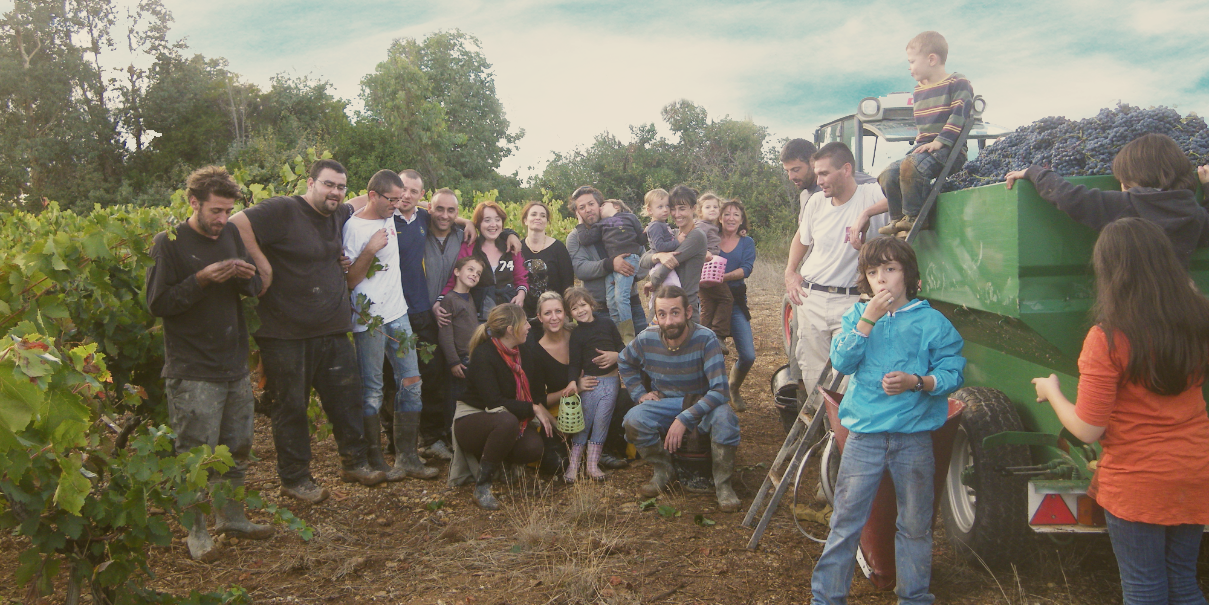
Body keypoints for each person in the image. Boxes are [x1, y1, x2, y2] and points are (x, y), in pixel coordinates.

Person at [1031, 218, 1209, 605]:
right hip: (1195, 470)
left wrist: (1053, 391)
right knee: (1182, 581)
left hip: (1139, 481)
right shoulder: (1198, 320)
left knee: (1145, 589)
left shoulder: (1108, 338)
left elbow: (1088, 429)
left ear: (1110, 273)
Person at [810, 236, 965, 605]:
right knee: (845, 523)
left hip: (913, 439)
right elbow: (843, 363)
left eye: (890, 270)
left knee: (914, 526)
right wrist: (867, 320)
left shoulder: (932, 322)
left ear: (908, 275)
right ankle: (826, 599)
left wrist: (919, 382)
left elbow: (953, 371)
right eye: (873, 272)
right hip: (864, 436)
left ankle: (913, 598)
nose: (881, 279)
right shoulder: (856, 316)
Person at [229, 159, 386, 504]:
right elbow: (236, 223)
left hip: (331, 327)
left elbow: (367, 200)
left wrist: (453, 215)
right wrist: (263, 264)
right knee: (291, 406)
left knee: (346, 398)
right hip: (284, 331)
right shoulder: (283, 209)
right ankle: (295, 478)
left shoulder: (337, 212)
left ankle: (354, 462)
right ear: (311, 183)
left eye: (341, 186)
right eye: (329, 184)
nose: (335, 192)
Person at [146, 166, 273, 560]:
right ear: (193, 202)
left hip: (233, 362)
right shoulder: (168, 243)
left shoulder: (231, 234)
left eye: (227, 211)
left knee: (237, 446)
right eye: (216, 211)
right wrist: (201, 279)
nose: (222, 220)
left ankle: (231, 517)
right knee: (195, 454)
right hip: (192, 368)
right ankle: (196, 532)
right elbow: (158, 304)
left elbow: (250, 290)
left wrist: (245, 276)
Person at [343, 169, 438, 483]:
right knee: (372, 390)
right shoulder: (353, 228)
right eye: (392, 200)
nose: (399, 205)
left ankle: (408, 457)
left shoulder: (391, 216)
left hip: (399, 315)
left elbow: (423, 212)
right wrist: (370, 249)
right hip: (367, 322)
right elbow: (351, 280)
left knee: (412, 382)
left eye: (401, 199)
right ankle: (376, 460)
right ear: (374, 196)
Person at [783, 143, 889, 415]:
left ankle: (846, 442)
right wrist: (790, 272)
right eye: (816, 174)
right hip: (812, 297)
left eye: (824, 174)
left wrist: (866, 214)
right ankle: (825, 437)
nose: (818, 181)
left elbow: (908, 197)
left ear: (846, 169)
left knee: (849, 376)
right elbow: (802, 238)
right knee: (813, 371)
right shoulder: (816, 202)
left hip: (853, 300)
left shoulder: (871, 194)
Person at [619, 285, 741, 512]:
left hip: (702, 404)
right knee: (633, 420)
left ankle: (723, 484)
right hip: (665, 403)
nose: (668, 322)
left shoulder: (706, 339)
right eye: (662, 314)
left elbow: (720, 391)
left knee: (726, 418)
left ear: (687, 312)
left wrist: (685, 418)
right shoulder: (646, 339)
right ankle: (663, 469)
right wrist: (639, 394)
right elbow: (624, 361)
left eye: (675, 313)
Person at [1004, 133, 1209, 267]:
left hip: (1133, 309)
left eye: (1123, 179)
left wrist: (1035, 172)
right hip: (1178, 303)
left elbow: (1071, 198)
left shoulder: (1130, 205)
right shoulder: (1193, 211)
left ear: (1138, 174)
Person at [421, 187, 521, 458]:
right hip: (451, 320)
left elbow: (520, 275)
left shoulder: (492, 242)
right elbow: (456, 278)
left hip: (492, 322)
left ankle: (484, 429)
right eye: (439, 209)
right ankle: (445, 437)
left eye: (451, 210)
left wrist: (509, 232)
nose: (445, 215)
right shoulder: (458, 240)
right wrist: (440, 299)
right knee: (440, 382)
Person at [448, 304, 557, 510]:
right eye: (524, 322)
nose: (528, 327)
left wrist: (553, 423)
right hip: (473, 420)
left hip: (506, 419)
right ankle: (482, 487)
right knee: (506, 422)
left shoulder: (524, 351)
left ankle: (503, 466)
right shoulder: (484, 355)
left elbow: (533, 393)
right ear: (510, 329)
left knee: (534, 447)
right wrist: (532, 409)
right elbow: (494, 402)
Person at [879, 31, 973, 237]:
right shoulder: (919, 90)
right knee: (888, 174)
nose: (909, 68)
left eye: (912, 61)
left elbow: (959, 116)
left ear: (931, 59)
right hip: (925, 148)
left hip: (950, 148)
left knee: (911, 165)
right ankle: (898, 219)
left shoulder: (957, 82)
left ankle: (916, 218)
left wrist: (940, 141)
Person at [562, 287, 625, 482]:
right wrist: (573, 382)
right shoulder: (577, 335)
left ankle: (592, 465)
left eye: (583, 305)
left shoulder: (606, 323)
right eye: (574, 308)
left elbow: (621, 347)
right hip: (590, 384)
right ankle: (573, 466)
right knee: (585, 422)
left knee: (601, 422)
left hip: (611, 381)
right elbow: (574, 363)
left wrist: (617, 357)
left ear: (591, 304)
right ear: (569, 314)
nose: (580, 310)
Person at [566, 186, 649, 333]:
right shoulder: (575, 238)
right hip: (599, 310)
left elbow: (644, 259)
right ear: (577, 212)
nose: (588, 209)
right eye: (582, 207)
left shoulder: (621, 225)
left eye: (591, 204)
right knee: (609, 354)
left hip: (631, 304)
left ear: (600, 205)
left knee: (642, 351)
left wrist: (626, 276)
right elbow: (581, 269)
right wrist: (610, 264)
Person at [442, 201, 529, 321]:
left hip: (509, 312)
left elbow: (521, 279)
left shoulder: (511, 247)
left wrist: (521, 295)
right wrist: (440, 300)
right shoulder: (469, 248)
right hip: (477, 314)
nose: (493, 225)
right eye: (487, 220)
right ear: (478, 224)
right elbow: (455, 279)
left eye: (497, 220)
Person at [526, 291, 576, 476]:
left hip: (592, 402)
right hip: (560, 411)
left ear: (565, 313)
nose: (554, 318)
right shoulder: (536, 352)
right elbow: (537, 399)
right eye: (547, 313)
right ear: (539, 317)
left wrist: (614, 356)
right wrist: (569, 391)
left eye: (558, 311)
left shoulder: (577, 335)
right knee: (557, 464)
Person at [718, 199, 757, 412]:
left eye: (736, 215)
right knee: (709, 352)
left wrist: (721, 277)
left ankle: (733, 386)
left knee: (748, 355)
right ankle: (711, 394)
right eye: (727, 214)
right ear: (719, 217)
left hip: (735, 301)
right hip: (710, 303)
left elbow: (747, 269)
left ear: (742, 220)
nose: (731, 218)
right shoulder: (710, 237)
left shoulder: (746, 242)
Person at [643, 185, 708, 314]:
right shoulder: (674, 234)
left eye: (682, 209)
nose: (676, 214)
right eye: (673, 209)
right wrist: (658, 256)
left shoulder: (696, 236)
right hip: (665, 305)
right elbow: (643, 261)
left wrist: (653, 281)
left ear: (693, 208)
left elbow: (671, 261)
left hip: (686, 305)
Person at [438, 255, 484, 432]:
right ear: (457, 272)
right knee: (454, 399)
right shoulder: (449, 299)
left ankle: (466, 434)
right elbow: (445, 333)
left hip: (471, 357)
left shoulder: (469, 298)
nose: (474, 275)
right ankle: (452, 435)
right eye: (470, 270)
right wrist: (453, 361)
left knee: (468, 399)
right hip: (459, 361)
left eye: (478, 273)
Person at [520, 201, 574, 319]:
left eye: (543, 215)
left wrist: (566, 314)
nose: (538, 218)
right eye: (533, 214)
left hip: (553, 316)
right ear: (525, 220)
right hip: (523, 316)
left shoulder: (558, 248)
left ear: (547, 222)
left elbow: (567, 283)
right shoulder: (517, 248)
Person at [695, 192, 734, 346]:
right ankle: (718, 334)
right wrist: (703, 251)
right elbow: (694, 239)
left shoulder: (712, 225)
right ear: (700, 211)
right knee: (726, 298)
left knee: (707, 304)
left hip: (708, 269)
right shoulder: (700, 226)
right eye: (708, 207)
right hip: (708, 268)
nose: (712, 209)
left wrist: (741, 231)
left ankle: (703, 336)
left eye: (715, 207)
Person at [643, 188, 682, 293]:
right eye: (660, 207)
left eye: (667, 206)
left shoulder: (662, 224)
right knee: (673, 291)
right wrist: (678, 241)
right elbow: (659, 247)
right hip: (661, 264)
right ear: (650, 210)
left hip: (665, 263)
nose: (665, 209)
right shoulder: (655, 226)